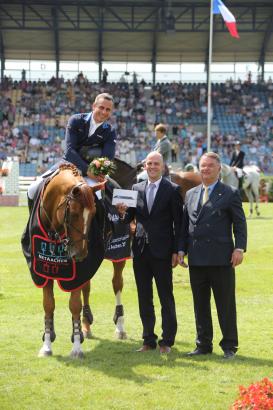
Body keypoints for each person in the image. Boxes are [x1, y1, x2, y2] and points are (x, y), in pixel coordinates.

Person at [178, 152, 247, 359]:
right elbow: (184, 226)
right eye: (202, 166)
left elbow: (240, 224)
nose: (205, 169)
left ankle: (229, 346)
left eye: (209, 166)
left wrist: (239, 248)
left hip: (221, 258)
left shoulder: (230, 193)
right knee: (200, 305)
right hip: (197, 258)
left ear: (219, 169)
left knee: (225, 304)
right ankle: (203, 344)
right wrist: (181, 249)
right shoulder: (190, 194)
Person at [116, 152, 183, 354]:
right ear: (144, 166)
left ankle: (167, 341)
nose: (152, 167)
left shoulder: (172, 189)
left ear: (162, 167)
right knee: (144, 298)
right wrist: (122, 212)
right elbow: (130, 218)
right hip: (141, 251)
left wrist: (176, 251)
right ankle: (148, 340)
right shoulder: (136, 188)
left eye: (156, 164)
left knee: (165, 298)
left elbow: (178, 224)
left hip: (163, 252)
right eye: (149, 164)